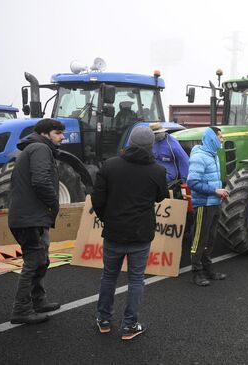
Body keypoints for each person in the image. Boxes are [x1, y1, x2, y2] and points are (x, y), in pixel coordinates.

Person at [92, 126, 168, 340]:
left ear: (130, 143)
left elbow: (97, 199)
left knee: (109, 276)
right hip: (141, 233)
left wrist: (108, 218)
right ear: (151, 145)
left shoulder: (110, 165)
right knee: (136, 280)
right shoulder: (157, 170)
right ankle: (129, 325)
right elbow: (161, 197)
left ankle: (104, 319)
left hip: (114, 231)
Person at [8, 118, 65, 325]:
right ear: (45, 134)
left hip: (30, 217)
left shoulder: (32, 149)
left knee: (41, 260)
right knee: (33, 263)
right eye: (58, 133)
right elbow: (40, 181)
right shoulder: (40, 149)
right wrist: (53, 203)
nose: (62, 137)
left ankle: (38, 301)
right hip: (29, 219)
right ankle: (21, 309)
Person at [188, 127, 228, 286]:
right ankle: (196, 273)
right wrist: (215, 190)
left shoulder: (213, 155)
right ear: (212, 138)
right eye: (220, 136)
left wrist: (221, 192)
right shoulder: (199, 157)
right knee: (199, 240)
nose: (222, 139)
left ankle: (207, 269)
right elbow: (193, 182)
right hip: (203, 205)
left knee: (210, 239)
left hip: (214, 204)